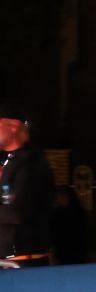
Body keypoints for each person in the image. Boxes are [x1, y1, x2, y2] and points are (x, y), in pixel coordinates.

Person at [0, 105, 55, 265]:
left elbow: (19, 212)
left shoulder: (31, 164)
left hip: (21, 262)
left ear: (13, 126)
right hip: (11, 259)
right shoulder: (12, 162)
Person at [51, 185, 90, 265]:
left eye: (62, 195)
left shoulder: (76, 213)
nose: (59, 198)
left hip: (73, 252)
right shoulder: (57, 213)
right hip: (64, 252)